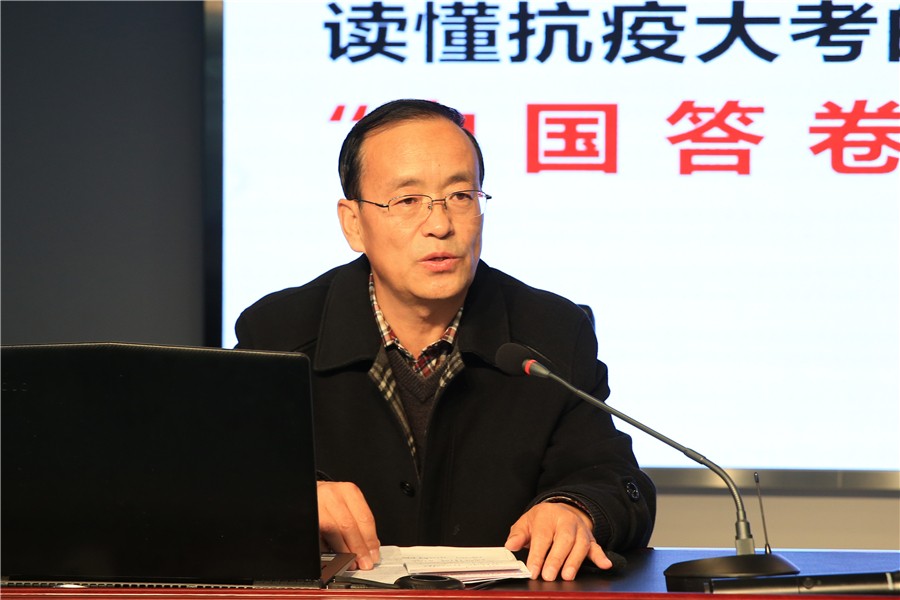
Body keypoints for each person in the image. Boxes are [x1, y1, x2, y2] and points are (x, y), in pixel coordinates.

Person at [235, 99, 655, 582]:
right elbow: (216, 480)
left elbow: (615, 479)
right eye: (407, 201)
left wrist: (576, 509)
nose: (440, 225)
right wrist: (291, 497)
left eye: (461, 195)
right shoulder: (279, 334)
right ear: (353, 223)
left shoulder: (552, 333)